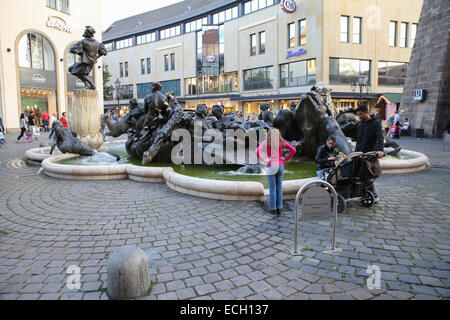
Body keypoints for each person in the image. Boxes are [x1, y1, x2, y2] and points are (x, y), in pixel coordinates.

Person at [256, 128, 297, 215]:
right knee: (279, 188)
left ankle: (273, 209)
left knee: (272, 188)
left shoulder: (266, 142)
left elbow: (257, 151)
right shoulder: (282, 142)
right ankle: (279, 207)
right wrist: (286, 158)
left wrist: (264, 159)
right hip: (280, 165)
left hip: (272, 166)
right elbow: (293, 150)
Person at [355, 105, 385, 203]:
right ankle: (364, 193)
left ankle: (373, 194)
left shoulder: (375, 124)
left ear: (366, 112)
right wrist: (355, 152)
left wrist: (380, 150)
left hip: (370, 153)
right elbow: (358, 140)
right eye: (358, 115)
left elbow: (380, 137)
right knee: (358, 174)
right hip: (360, 153)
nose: (359, 116)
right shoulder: (360, 124)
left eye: (361, 114)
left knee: (366, 175)